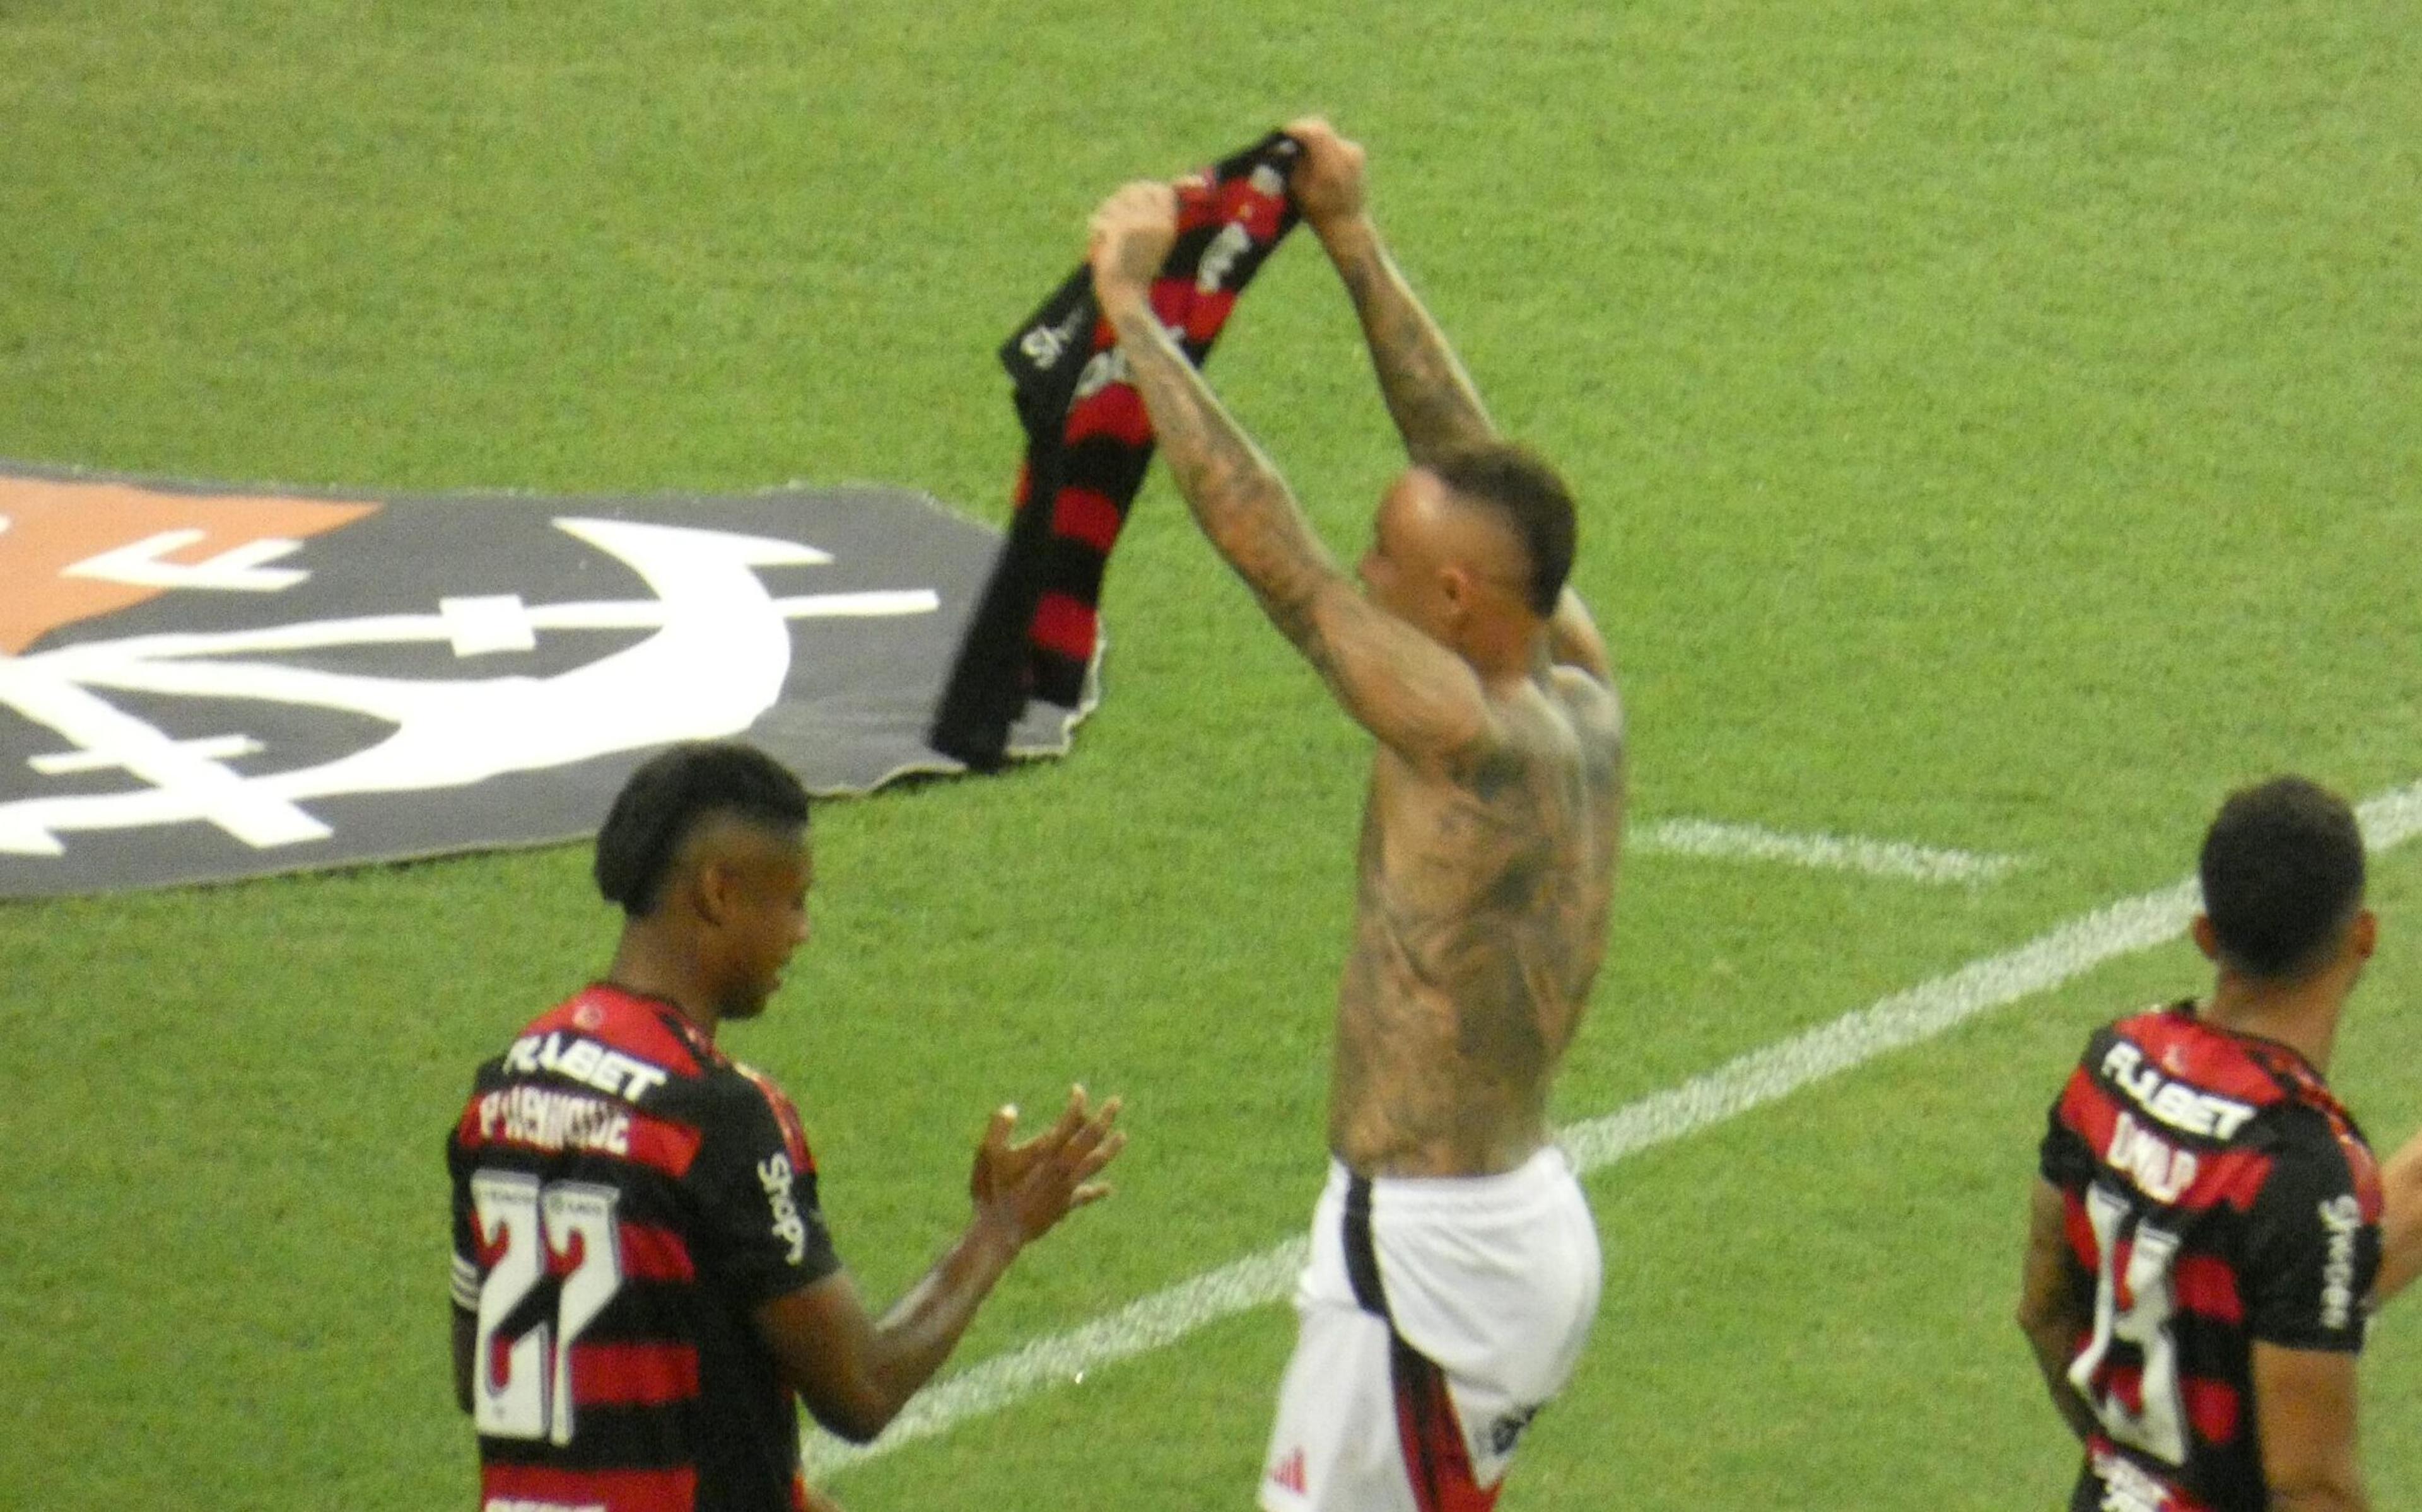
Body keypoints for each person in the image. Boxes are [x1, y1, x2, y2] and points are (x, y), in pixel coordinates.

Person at [1085, 119, 1622, 1512]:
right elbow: (1481, 469)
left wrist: (1135, 319)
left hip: (1432, 1252)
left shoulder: (1465, 735)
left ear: (1455, 603)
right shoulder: (1573, 676)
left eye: (1395, 550)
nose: (1368, 560)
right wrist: (1351, 242)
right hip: (1497, 1216)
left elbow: (1282, 561)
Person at [445, 740, 1123, 1512]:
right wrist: (999, 1228)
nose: (801, 932)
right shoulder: (715, 1114)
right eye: (793, 899)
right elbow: (862, 1390)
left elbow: (486, 1374)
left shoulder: (501, 1089)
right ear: (719, 892)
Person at [2017, 776, 2394, 1512]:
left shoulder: (2111, 1068)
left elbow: (2041, 1308)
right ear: (2365, 937)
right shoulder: (2303, 1168)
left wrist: (2136, 1471)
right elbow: (2310, 1486)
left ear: (2206, 935)